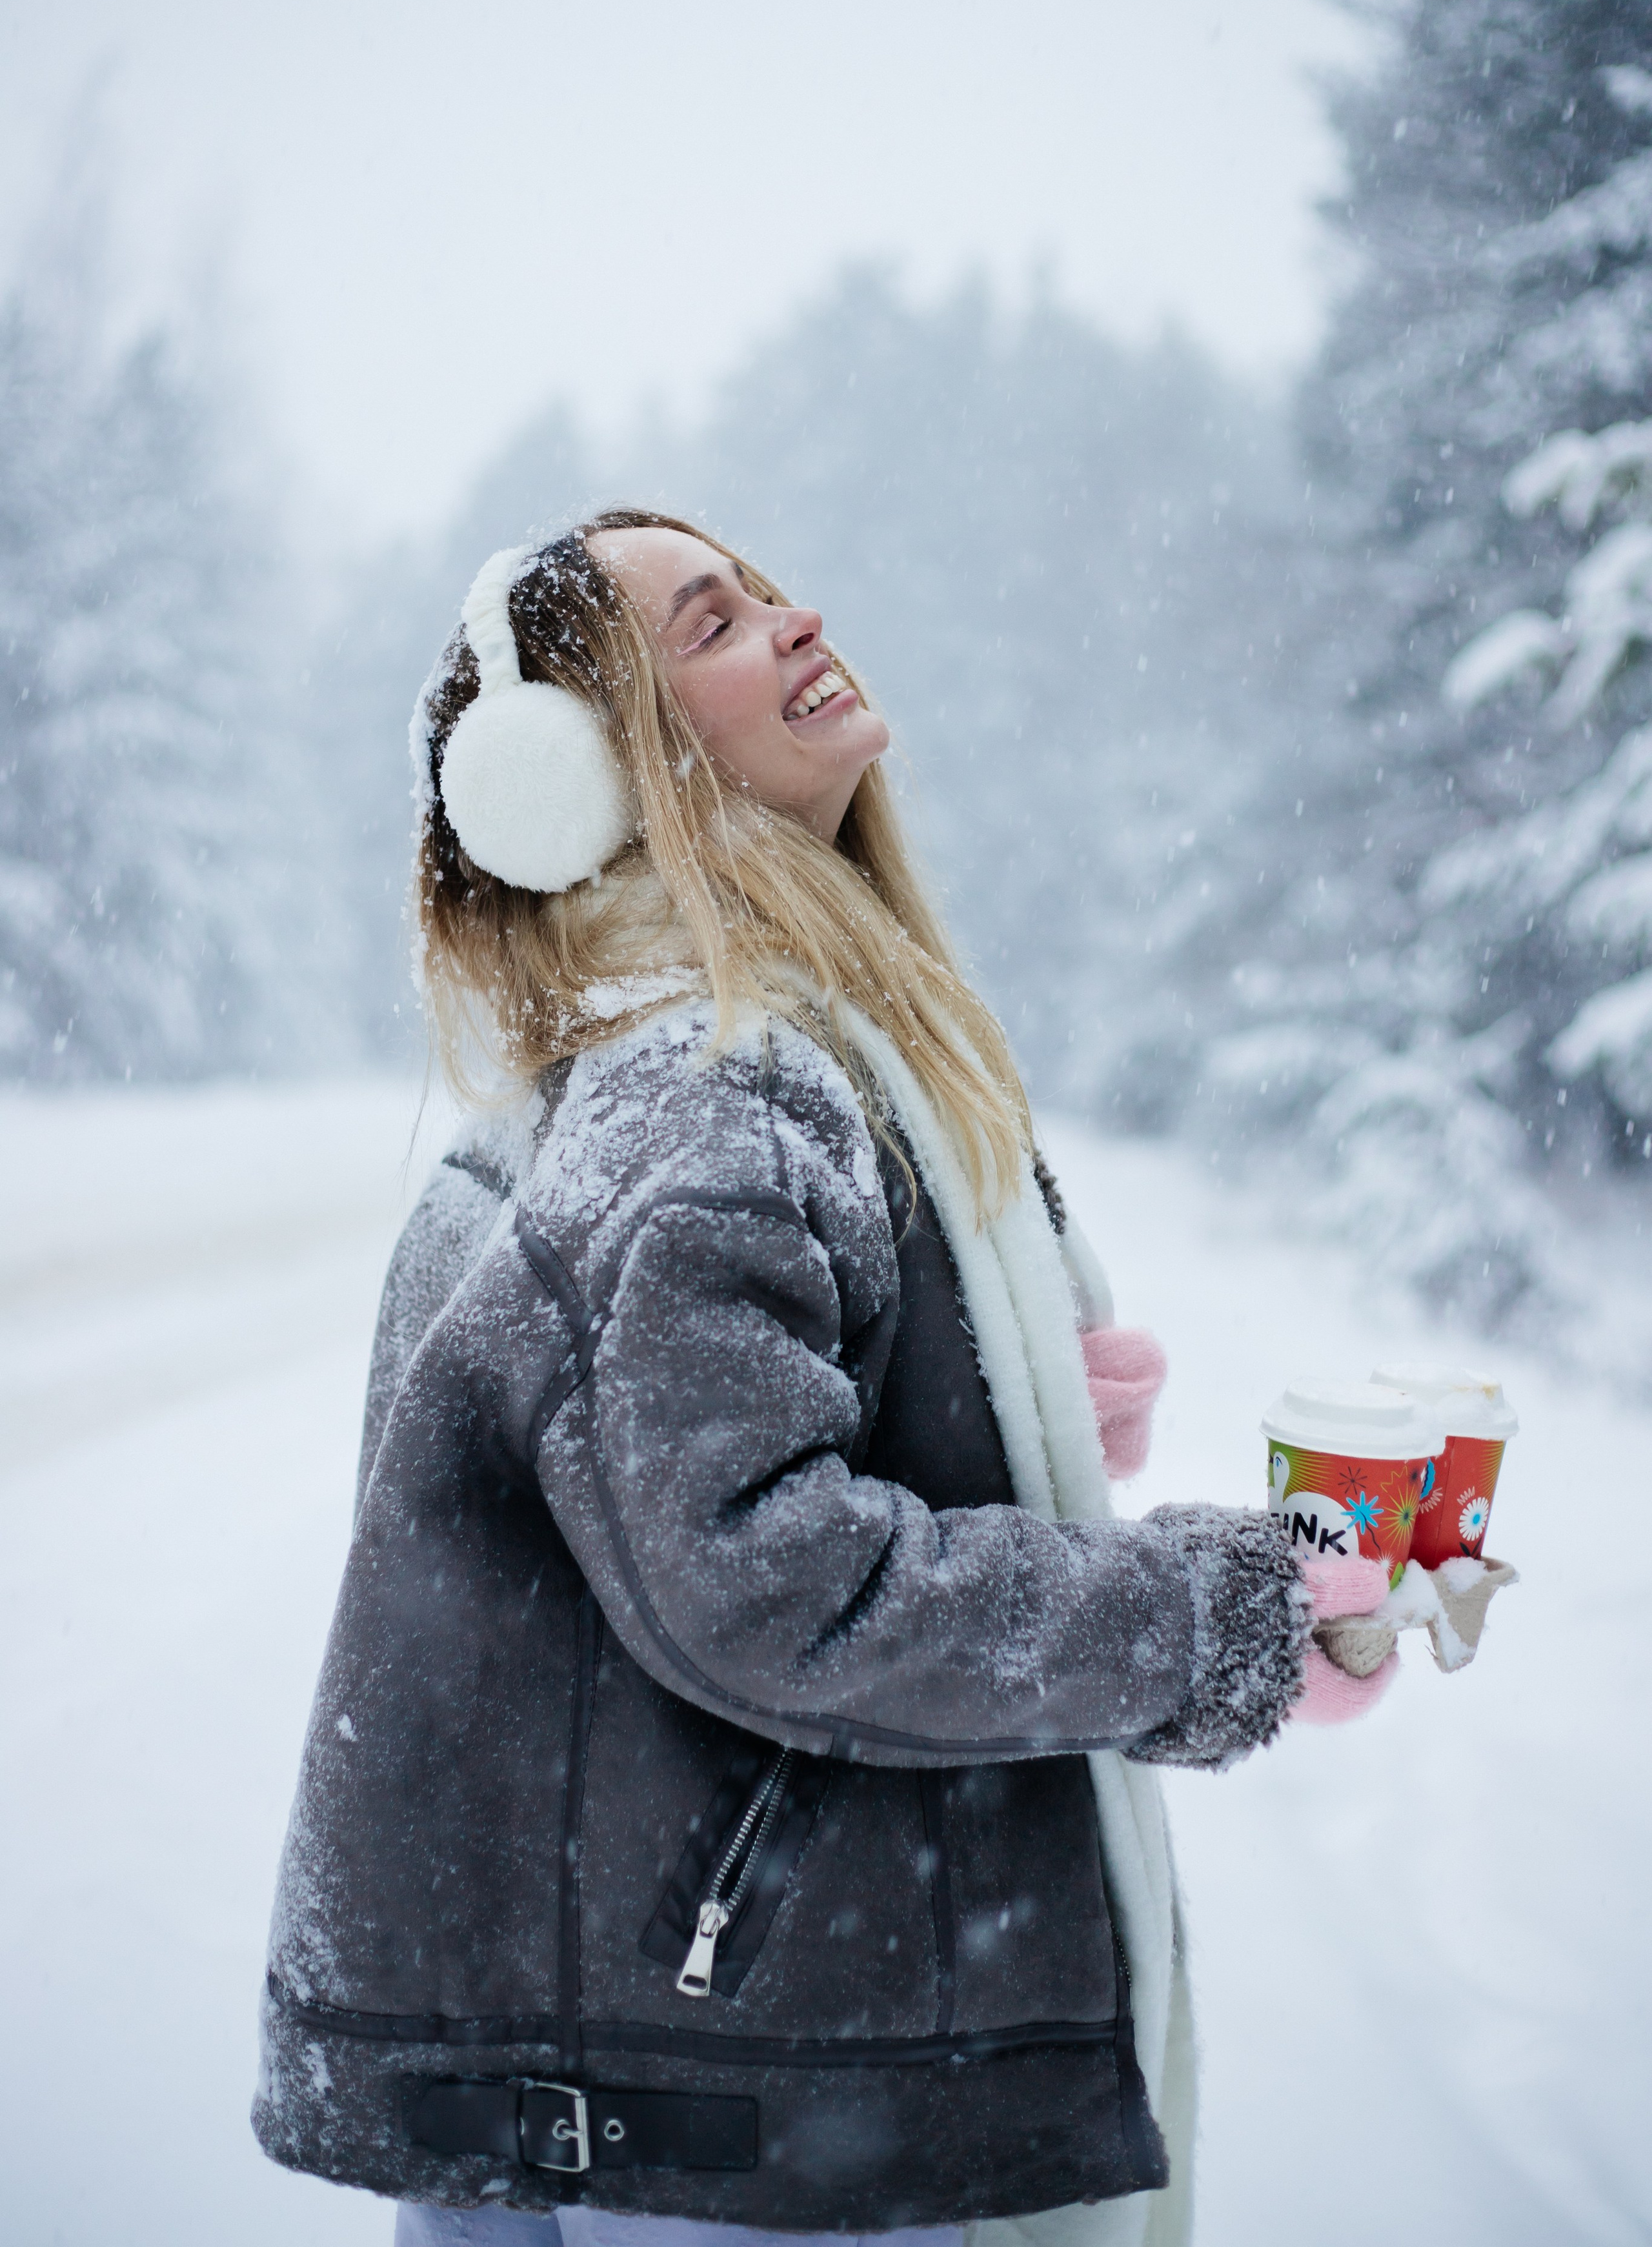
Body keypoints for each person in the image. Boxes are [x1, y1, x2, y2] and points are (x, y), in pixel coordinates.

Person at [253, 514, 1389, 2247]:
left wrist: (984, 1408)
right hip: (728, 2115)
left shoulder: (660, 1062)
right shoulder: (709, 1091)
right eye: (716, 619)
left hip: (650, 2075)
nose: (798, 623)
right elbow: (765, 1584)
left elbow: (619, 1529)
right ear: (583, 775)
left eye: (769, 588)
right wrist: (1217, 1620)